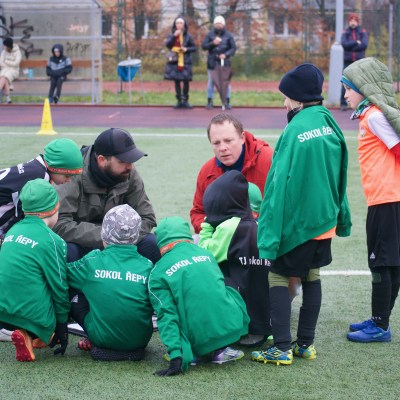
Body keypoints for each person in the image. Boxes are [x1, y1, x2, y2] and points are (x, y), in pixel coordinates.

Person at [252, 63, 351, 366]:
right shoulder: (329, 121)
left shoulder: (294, 130)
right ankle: (305, 343)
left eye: (286, 97)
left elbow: (277, 184)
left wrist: (269, 229)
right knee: (312, 274)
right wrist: (341, 214)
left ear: (297, 98)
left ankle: (281, 346)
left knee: (277, 274)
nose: (284, 103)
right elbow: (342, 172)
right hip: (324, 220)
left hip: (299, 223)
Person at [341, 57, 400, 343]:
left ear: (363, 88)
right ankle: (380, 319)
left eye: (348, 88)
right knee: (391, 262)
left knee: (380, 263)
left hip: (387, 200)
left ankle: (380, 326)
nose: (345, 95)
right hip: (386, 199)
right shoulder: (370, 116)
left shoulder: (375, 117)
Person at [149, 216, 249, 376]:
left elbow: (166, 315)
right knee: (227, 286)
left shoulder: (158, 271)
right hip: (230, 331)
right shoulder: (206, 253)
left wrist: (176, 356)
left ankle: (192, 353)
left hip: (195, 342)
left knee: (175, 307)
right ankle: (222, 349)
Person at [53, 128, 160, 264]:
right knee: (65, 250)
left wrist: (122, 237)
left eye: (131, 160)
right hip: (82, 242)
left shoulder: (127, 173)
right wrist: (109, 236)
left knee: (152, 244)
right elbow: (59, 224)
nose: (130, 167)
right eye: (123, 161)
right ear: (102, 160)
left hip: (122, 241)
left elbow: (147, 217)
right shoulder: (73, 174)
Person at [67, 204, 154, 361]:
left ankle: (87, 336)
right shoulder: (147, 266)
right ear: (136, 236)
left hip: (101, 339)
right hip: (140, 341)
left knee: (73, 290)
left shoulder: (92, 260)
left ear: (104, 233)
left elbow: (63, 274)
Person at [199, 170, 271, 347]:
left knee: (202, 275)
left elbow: (205, 255)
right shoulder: (261, 225)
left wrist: (207, 226)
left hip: (242, 324)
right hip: (265, 321)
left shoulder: (230, 227)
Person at [0, 179, 70, 361]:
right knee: (57, 284)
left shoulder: (12, 231)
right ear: (55, 208)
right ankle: (33, 334)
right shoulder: (52, 240)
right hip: (31, 316)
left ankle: (34, 335)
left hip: (3, 314)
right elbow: (59, 287)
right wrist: (62, 325)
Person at [190, 113, 273, 234]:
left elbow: (286, 206)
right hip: (221, 237)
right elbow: (198, 212)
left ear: (242, 138)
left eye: (228, 141)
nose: (222, 148)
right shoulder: (207, 171)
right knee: (195, 240)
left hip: (263, 235)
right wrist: (217, 231)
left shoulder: (268, 160)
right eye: (216, 143)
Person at [0, 138, 83, 244]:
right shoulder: (39, 178)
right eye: (67, 175)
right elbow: (24, 215)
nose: (69, 180)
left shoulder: (37, 167)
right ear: (55, 168)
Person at [201, 15, 236, 110]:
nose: (218, 25)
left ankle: (226, 101)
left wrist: (226, 54)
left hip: (225, 63)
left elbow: (233, 48)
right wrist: (213, 43)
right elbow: (203, 46)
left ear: (223, 24)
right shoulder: (209, 35)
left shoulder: (229, 35)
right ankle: (209, 101)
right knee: (211, 82)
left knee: (225, 82)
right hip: (212, 62)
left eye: (220, 23)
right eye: (216, 23)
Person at [164, 16, 197, 109]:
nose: (179, 25)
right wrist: (174, 36)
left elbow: (194, 48)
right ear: (175, 25)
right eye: (177, 23)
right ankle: (179, 100)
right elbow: (167, 45)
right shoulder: (171, 35)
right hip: (174, 61)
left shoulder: (188, 36)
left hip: (185, 61)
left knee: (186, 81)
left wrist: (186, 49)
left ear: (184, 25)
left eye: (181, 23)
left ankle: (185, 100)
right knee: (177, 81)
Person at [340, 13, 368, 111]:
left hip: (359, 62)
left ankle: (361, 103)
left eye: (354, 21)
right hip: (348, 62)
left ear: (357, 22)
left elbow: (364, 45)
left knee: (360, 82)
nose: (353, 22)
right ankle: (343, 104)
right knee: (345, 82)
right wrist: (356, 42)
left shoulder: (362, 32)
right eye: (351, 20)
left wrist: (351, 46)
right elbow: (344, 44)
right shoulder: (345, 32)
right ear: (349, 22)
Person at [0, 37, 22, 104]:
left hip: (14, 71)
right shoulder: (4, 51)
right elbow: (1, 62)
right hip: (5, 69)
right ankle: (8, 99)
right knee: (4, 78)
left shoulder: (17, 52)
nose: (4, 47)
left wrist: (6, 62)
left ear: (9, 46)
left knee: (4, 77)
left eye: (5, 46)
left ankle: (8, 98)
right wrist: (7, 65)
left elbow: (16, 63)